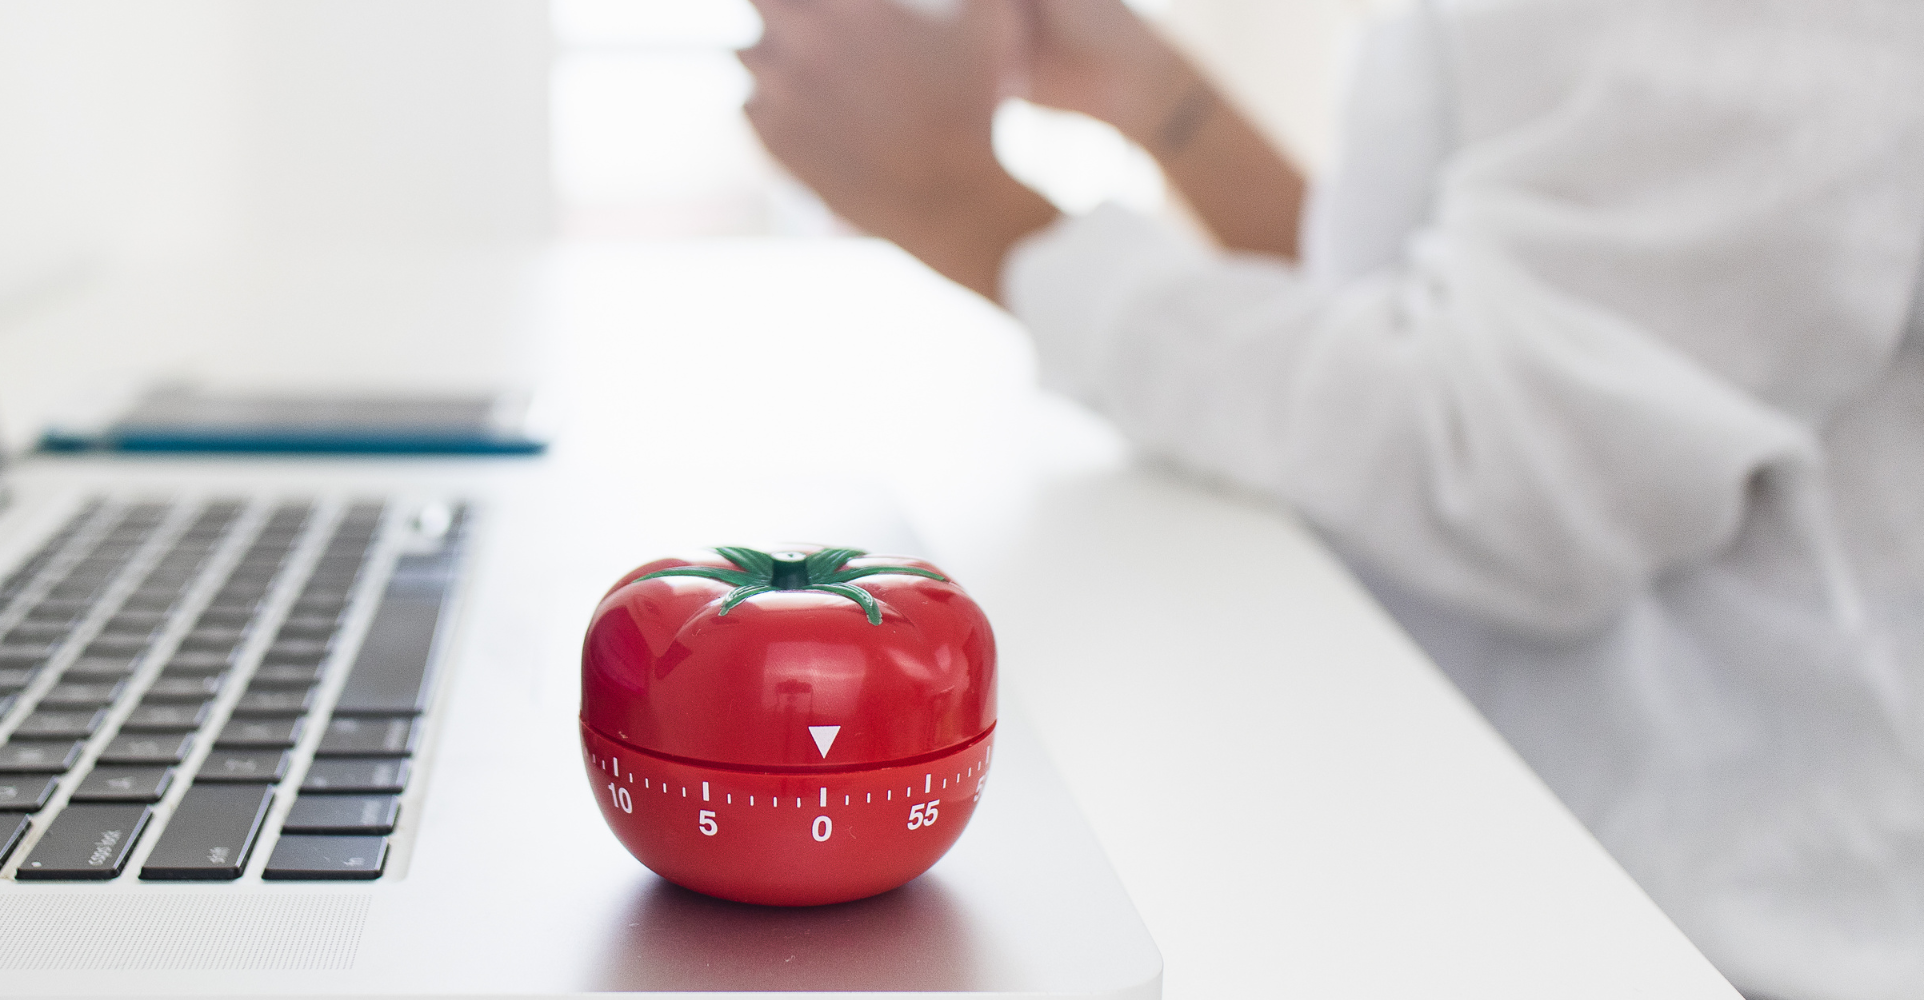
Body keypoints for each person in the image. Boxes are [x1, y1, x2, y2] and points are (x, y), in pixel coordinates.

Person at [736, 0, 1924, 996]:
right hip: (1554, 859)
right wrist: (1164, 106)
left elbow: (1512, 478)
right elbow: (1479, 321)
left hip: (1717, 935)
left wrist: (968, 209)